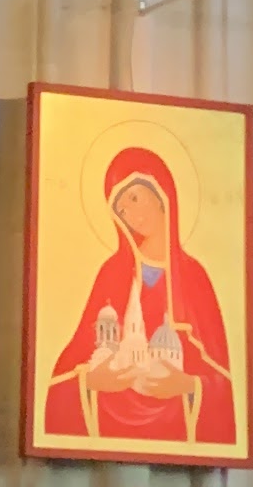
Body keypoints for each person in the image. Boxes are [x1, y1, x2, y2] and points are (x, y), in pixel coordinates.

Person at [41, 144, 239, 447]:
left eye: (134, 198)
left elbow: (224, 383)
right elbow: (67, 370)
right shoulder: (112, 273)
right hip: (110, 413)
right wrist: (92, 380)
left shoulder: (194, 277)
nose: (133, 215)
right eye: (122, 210)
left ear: (161, 194)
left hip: (177, 418)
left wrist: (187, 385)